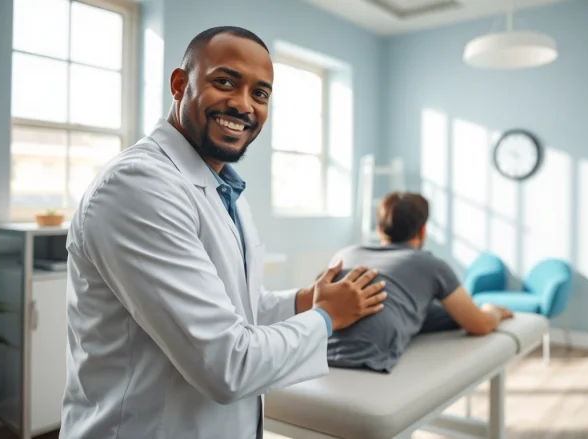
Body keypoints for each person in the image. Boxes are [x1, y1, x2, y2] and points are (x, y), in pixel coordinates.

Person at [60, 26, 387, 439]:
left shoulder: (223, 188)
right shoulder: (138, 188)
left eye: (260, 94)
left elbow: (235, 306)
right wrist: (326, 318)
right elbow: (227, 364)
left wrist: (305, 300)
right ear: (180, 85)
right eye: (225, 82)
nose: (243, 105)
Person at [324, 192, 514, 373]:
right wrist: (492, 311)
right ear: (422, 230)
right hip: (365, 363)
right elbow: (479, 325)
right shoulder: (431, 265)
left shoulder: (344, 255)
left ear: (379, 228)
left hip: (313, 354)